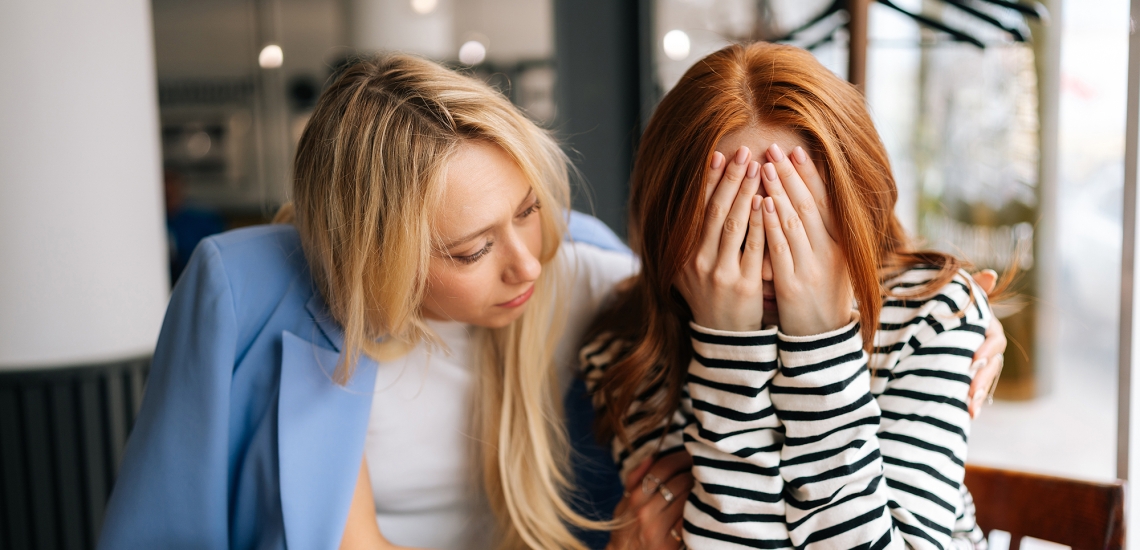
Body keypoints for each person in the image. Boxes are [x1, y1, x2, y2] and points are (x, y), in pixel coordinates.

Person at [99, 53, 1003, 550]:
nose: (529, 260)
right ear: (378, 255)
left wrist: (830, 330)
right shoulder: (243, 289)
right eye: (470, 249)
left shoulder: (593, 284)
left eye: (532, 207)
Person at [583, 42, 1005, 549]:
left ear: (857, 210)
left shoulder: (931, 316)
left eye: (798, 226)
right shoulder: (628, 350)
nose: (768, 267)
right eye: (731, 229)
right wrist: (728, 351)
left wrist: (821, 343)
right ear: (667, 226)